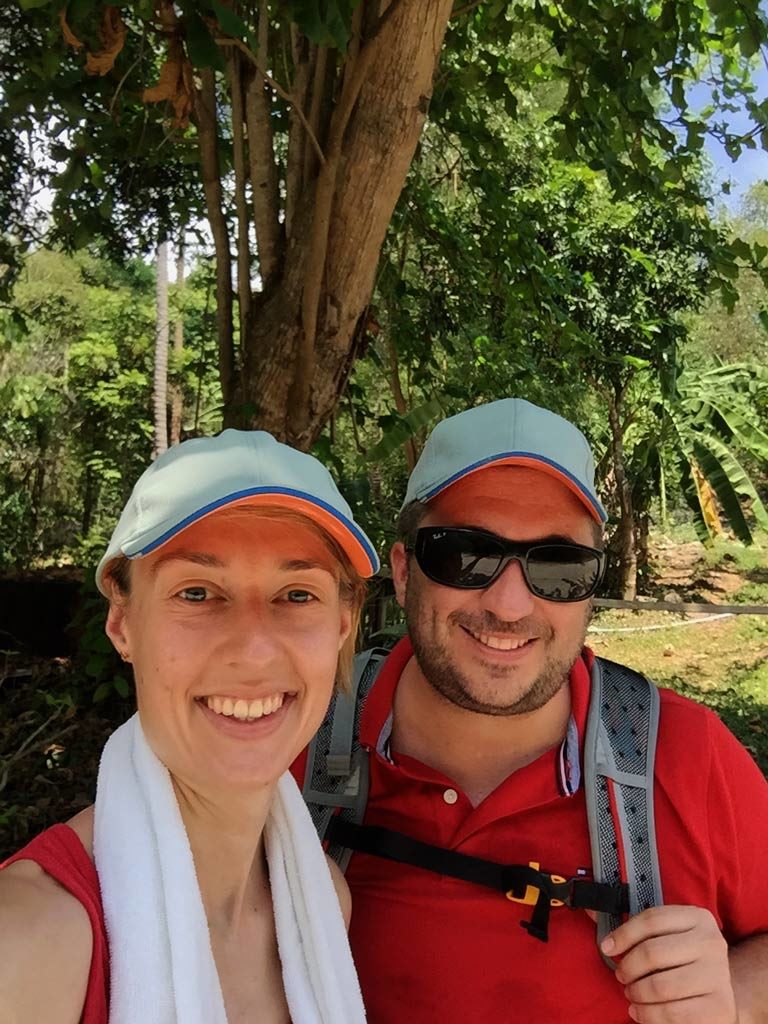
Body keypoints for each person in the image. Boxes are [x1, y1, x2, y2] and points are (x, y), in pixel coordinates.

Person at [298, 398, 768, 1024]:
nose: (511, 605)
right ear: (406, 571)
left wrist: (733, 996)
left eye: (558, 565)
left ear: (591, 590)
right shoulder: (298, 741)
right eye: (465, 554)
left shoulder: (685, 754)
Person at [0, 429, 377, 1024]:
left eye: (297, 594)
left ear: (341, 626)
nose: (254, 651)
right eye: (197, 593)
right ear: (123, 623)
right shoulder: (29, 945)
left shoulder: (323, 903)